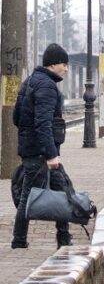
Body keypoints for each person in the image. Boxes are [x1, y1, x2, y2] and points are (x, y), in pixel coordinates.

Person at [11, 44, 70, 250]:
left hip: (33, 148)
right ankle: (19, 241)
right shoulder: (46, 86)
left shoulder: (30, 81)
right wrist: (51, 154)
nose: (66, 69)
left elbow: (16, 117)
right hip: (41, 152)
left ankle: (64, 238)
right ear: (54, 64)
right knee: (29, 195)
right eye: (64, 64)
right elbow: (43, 123)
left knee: (60, 189)